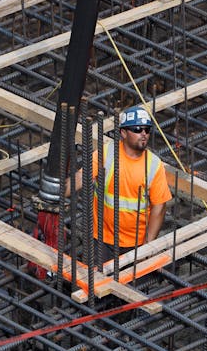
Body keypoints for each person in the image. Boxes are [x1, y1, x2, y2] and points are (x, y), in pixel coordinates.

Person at [71, 105, 171, 267]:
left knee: (128, 287)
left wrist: (147, 247)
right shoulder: (106, 154)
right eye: (137, 129)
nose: (143, 133)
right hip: (101, 238)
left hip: (134, 243)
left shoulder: (153, 165)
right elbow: (81, 178)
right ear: (123, 133)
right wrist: (55, 193)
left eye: (147, 129)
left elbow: (159, 208)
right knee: (96, 285)